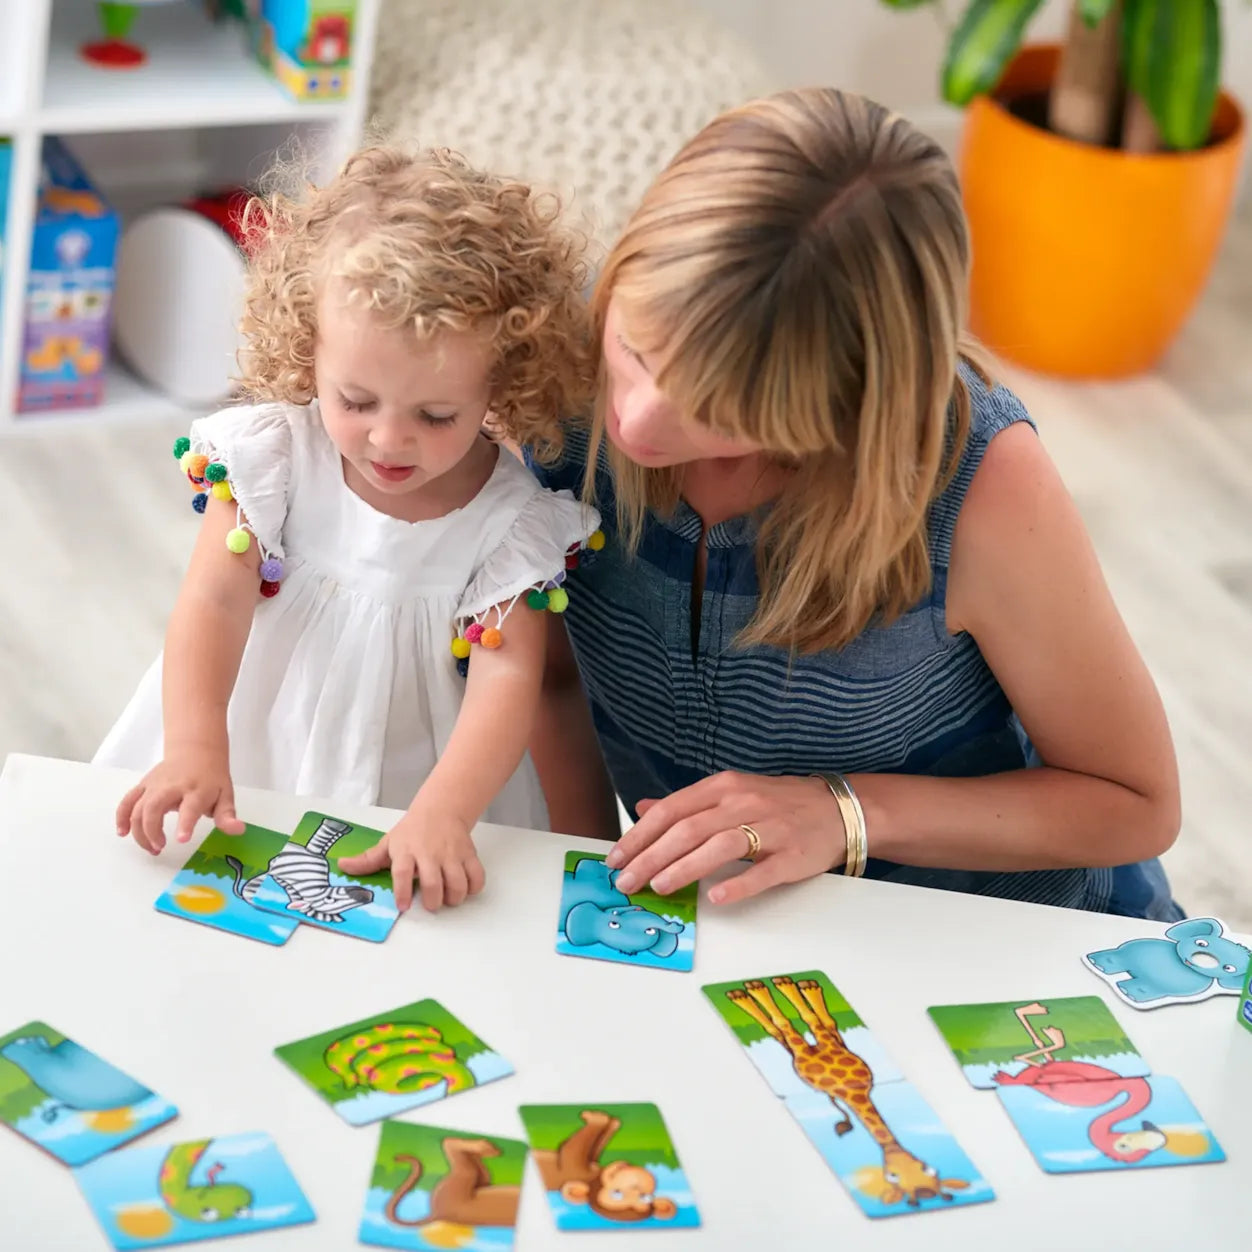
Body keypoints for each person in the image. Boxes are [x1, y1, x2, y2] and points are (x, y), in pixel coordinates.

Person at [524, 88, 1183, 921]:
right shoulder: (549, 369)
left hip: (997, 946)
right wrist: (587, 899)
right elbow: (547, 678)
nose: (638, 417)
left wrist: (841, 814)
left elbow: (1135, 800)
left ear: (853, 402)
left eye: (725, 405)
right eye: (638, 348)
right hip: (739, 934)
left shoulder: (981, 481)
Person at [96, 144, 602, 911]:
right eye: (356, 401)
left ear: (503, 380)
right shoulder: (272, 459)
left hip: (416, 787)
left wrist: (445, 812)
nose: (389, 441)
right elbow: (213, 604)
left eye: (436, 416)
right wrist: (196, 744)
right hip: (243, 752)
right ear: (310, 345)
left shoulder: (512, 524)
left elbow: (508, 681)